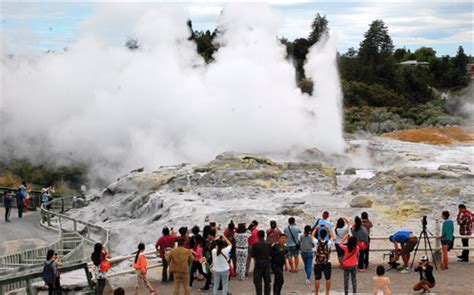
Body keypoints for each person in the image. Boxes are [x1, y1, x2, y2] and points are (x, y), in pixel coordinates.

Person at [312, 224, 334, 295]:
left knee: (317, 279)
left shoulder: (316, 242)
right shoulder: (329, 243)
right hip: (327, 262)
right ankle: (327, 292)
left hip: (317, 262)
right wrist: (328, 228)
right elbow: (333, 236)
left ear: (319, 235)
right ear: (326, 235)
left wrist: (316, 228)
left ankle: (316, 293)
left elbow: (312, 236)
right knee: (328, 278)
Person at [252, 230, 272, 295]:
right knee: (267, 282)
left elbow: (253, 255)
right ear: (264, 235)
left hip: (258, 265)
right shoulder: (269, 244)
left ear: (258, 236)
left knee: (258, 282)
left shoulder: (255, 244)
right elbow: (271, 254)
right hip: (266, 265)